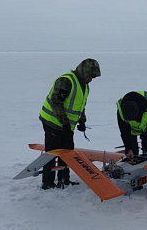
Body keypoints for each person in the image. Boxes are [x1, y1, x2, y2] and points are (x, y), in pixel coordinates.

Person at [38, 58, 101, 189]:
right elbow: (56, 103)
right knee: (52, 153)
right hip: (52, 122)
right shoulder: (66, 81)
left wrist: (82, 121)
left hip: (66, 126)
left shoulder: (84, 86)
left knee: (67, 152)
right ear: (84, 72)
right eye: (90, 76)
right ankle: (48, 183)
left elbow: (80, 106)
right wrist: (65, 123)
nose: (91, 80)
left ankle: (64, 180)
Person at [116, 91, 147, 159]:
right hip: (136, 116)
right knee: (131, 147)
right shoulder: (121, 111)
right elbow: (124, 132)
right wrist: (129, 148)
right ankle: (133, 157)